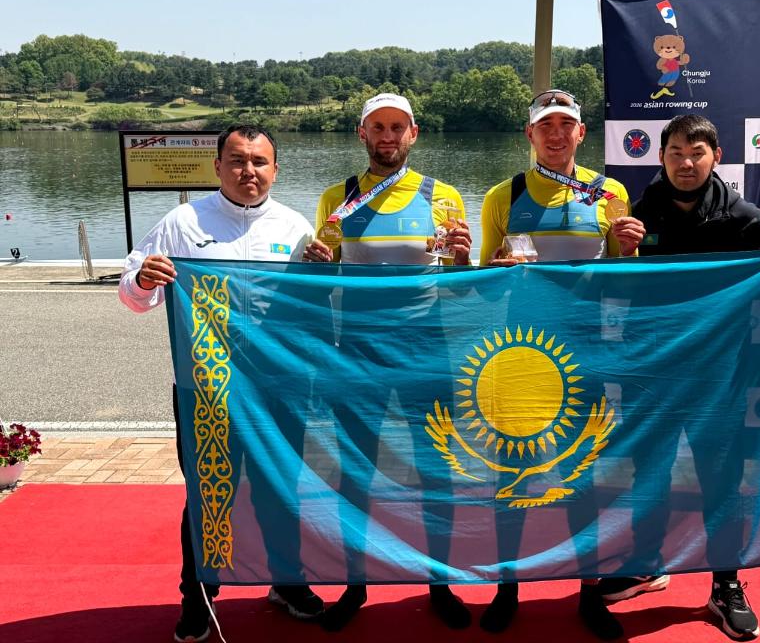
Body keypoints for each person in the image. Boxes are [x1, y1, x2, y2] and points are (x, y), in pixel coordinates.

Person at [598, 114, 760, 641]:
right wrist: (623, 252)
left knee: (720, 475)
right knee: (648, 467)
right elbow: (615, 293)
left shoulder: (742, 216)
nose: (686, 162)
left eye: (696, 152)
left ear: (716, 157)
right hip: (655, 369)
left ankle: (725, 583)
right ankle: (646, 563)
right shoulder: (637, 213)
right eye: (675, 152)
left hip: (721, 375)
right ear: (661, 157)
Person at [118, 125, 323, 643]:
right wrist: (143, 278)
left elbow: (314, 311)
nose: (248, 171)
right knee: (209, 492)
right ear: (217, 166)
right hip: (205, 391)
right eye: (236, 160)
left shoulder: (296, 227)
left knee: (281, 488)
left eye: (259, 161)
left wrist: (325, 275)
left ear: (275, 169)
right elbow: (132, 293)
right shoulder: (183, 222)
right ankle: (199, 597)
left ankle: (288, 582)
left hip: (278, 389)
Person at [479, 89, 651, 640]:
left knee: (590, 474)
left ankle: (589, 592)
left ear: (581, 133)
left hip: (590, 351)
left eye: (566, 125)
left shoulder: (610, 192)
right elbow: (481, 286)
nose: (556, 135)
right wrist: (495, 270)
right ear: (529, 135)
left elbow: (627, 277)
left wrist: (632, 247)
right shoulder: (502, 195)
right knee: (512, 473)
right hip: (521, 356)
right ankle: (507, 587)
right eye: (545, 126)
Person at [303, 92, 474, 631]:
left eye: (397, 127)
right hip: (358, 351)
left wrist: (464, 260)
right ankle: (355, 584)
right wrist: (315, 263)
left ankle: (439, 582)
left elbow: (461, 289)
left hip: (427, 349)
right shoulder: (337, 197)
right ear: (362, 134)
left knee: (436, 471)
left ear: (413, 134)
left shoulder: (443, 196)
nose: (387, 136)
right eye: (377, 127)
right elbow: (320, 282)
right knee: (355, 473)